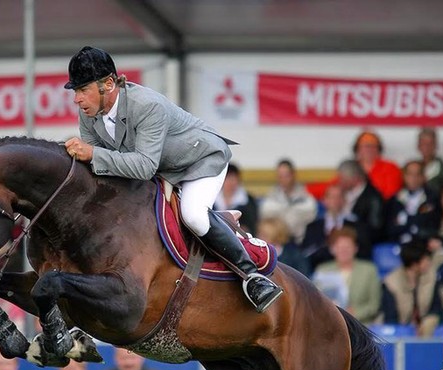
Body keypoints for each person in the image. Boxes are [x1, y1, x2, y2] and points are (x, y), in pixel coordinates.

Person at [62, 46, 281, 313]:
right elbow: (102, 167)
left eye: (83, 90)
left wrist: (92, 153)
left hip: (200, 161)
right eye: (75, 91)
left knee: (193, 215)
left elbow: (141, 166)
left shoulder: (146, 105)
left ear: (108, 84)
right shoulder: (89, 115)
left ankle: (252, 278)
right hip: (161, 169)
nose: (77, 98)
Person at [312, 227, 381, 324]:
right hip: (330, 324)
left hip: (361, 325)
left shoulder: (369, 270)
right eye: (339, 247)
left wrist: (354, 313)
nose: (343, 251)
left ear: (355, 248)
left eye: (348, 247)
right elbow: (316, 301)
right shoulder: (323, 270)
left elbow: (374, 305)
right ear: (332, 249)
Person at [302, 183, 372, 269]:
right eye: (332, 197)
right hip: (321, 269)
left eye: (339, 197)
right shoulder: (313, 227)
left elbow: (365, 251)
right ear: (324, 200)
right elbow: (307, 253)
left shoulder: (356, 225)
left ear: (344, 200)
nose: (335, 201)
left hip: (351, 269)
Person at [381, 240, 441, 337]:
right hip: (400, 329)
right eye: (425, 259)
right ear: (415, 264)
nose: (428, 262)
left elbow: (436, 308)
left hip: (426, 328)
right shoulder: (391, 282)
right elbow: (390, 316)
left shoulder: (432, 277)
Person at [259, 159, 317, 244]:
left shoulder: (306, 198)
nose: (283, 179)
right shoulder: (270, 198)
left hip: (300, 243)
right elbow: (265, 217)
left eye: (286, 175)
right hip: (276, 243)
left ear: (293, 175)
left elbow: (311, 217)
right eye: (280, 176)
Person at [384, 160, 438, 244]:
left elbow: (430, 225)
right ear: (404, 176)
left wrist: (405, 220)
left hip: (422, 244)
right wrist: (413, 224)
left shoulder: (432, 198)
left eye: (418, 174)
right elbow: (390, 229)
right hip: (398, 244)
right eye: (410, 174)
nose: (414, 178)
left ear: (424, 177)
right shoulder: (395, 199)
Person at [337, 159, 385, 244]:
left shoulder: (373, 198)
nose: (340, 182)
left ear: (355, 178)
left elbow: (375, 229)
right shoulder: (344, 193)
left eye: (343, 178)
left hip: (362, 244)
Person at [353, 131, 403, 201]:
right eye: (366, 146)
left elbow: (391, 194)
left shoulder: (390, 168)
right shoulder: (351, 167)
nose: (369, 149)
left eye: (373, 146)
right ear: (357, 149)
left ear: (379, 149)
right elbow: (337, 188)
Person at [213, 163, 259, 235]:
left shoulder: (248, 200)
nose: (231, 183)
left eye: (234, 179)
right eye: (228, 178)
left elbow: (252, 225)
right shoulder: (213, 199)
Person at [417, 127, 443, 195]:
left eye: (430, 144)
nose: (426, 147)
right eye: (423, 143)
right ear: (418, 146)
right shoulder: (412, 171)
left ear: (436, 146)